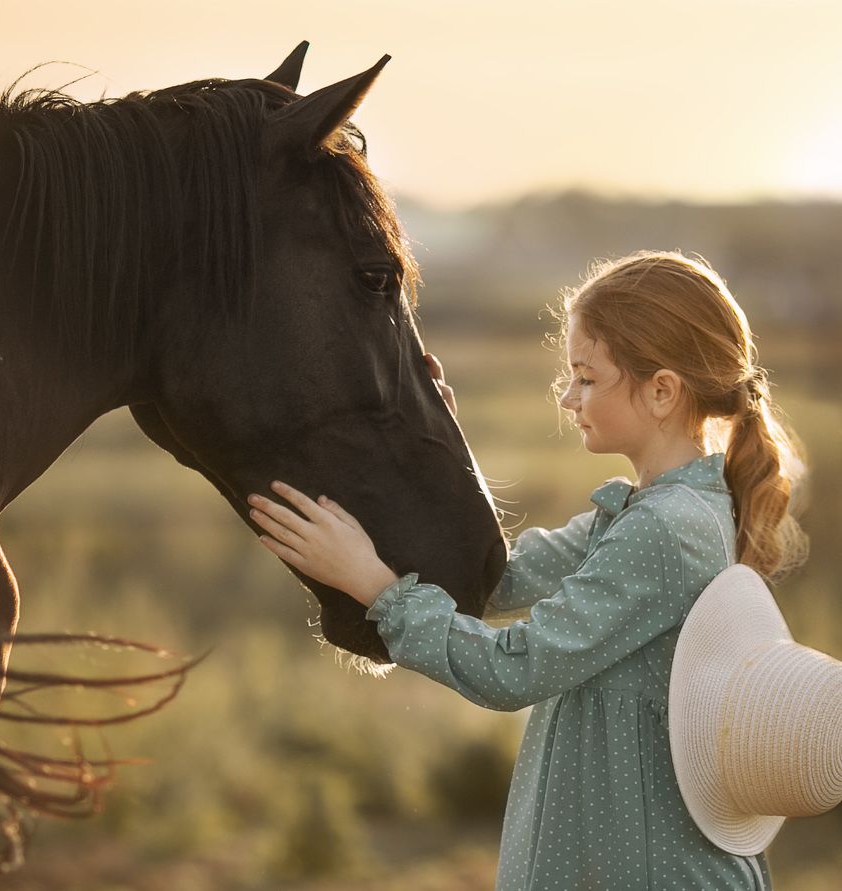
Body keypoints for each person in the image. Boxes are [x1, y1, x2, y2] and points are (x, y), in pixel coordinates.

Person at [247, 250, 808, 890]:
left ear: (661, 390)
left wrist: (376, 589)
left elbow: (514, 668)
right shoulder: (648, 512)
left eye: (587, 378)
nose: (568, 397)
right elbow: (492, 578)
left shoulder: (663, 530)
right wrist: (438, 444)